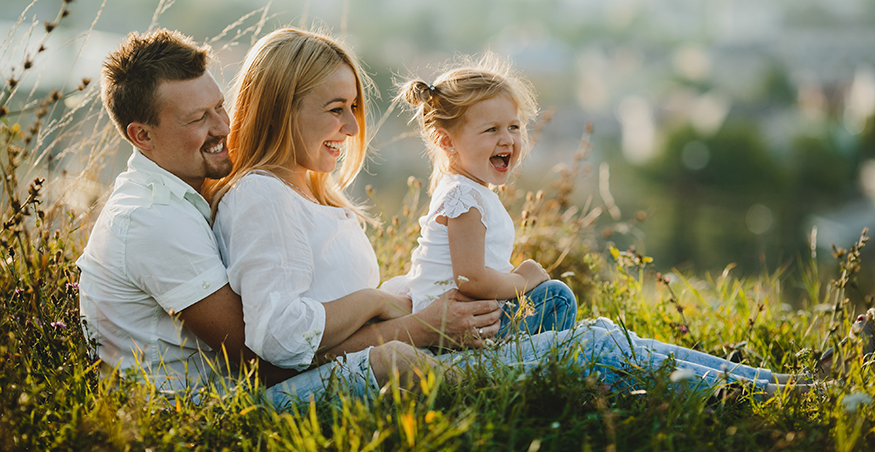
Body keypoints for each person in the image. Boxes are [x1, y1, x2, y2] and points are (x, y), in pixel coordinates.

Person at [209, 26, 809, 405]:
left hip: (388, 356)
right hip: (338, 386)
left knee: (592, 337)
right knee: (590, 347)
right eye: (334, 109)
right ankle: (772, 393)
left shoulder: (309, 194)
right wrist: (392, 311)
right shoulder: (262, 197)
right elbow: (278, 339)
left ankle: (767, 384)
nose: (349, 126)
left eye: (353, 108)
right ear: (281, 108)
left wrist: (403, 308)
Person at [76, 28, 490, 395]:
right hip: (195, 417)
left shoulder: (188, 192)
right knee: (397, 362)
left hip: (232, 394)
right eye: (198, 118)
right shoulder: (154, 219)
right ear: (142, 135)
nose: (223, 127)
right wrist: (400, 318)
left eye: (220, 106)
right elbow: (267, 361)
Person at [380, 57, 577, 337]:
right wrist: (521, 280)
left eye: (514, 127)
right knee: (557, 297)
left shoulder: (468, 190)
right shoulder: (464, 197)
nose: (507, 139)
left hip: (468, 314)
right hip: (458, 325)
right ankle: (542, 362)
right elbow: (469, 279)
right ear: (447, 141)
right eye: (491, 130)